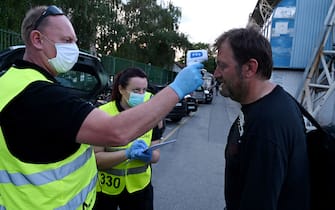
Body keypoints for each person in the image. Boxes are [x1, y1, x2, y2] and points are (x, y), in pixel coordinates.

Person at [0, 5, 203, 210]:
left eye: (75, 41)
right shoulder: (38, 94)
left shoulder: (11, 82)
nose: (74, 49)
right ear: (37, 40)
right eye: (67, 41)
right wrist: (177, 88)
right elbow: (116, 132)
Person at [213, 27, 310, 210]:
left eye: (223, 65)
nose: (216, 73)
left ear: (250, 68)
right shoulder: (273, 102)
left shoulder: (267, 127)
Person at [93, 67, 161, 210]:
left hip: (140, 188)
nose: (142, 95)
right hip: (106, 189)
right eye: (136, 90)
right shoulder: (102, 114)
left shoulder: (151, 115)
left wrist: (148, 156)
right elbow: (97, 159)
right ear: (121, 89)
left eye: (144, 90)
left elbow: (156, 156)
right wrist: (127, 154)